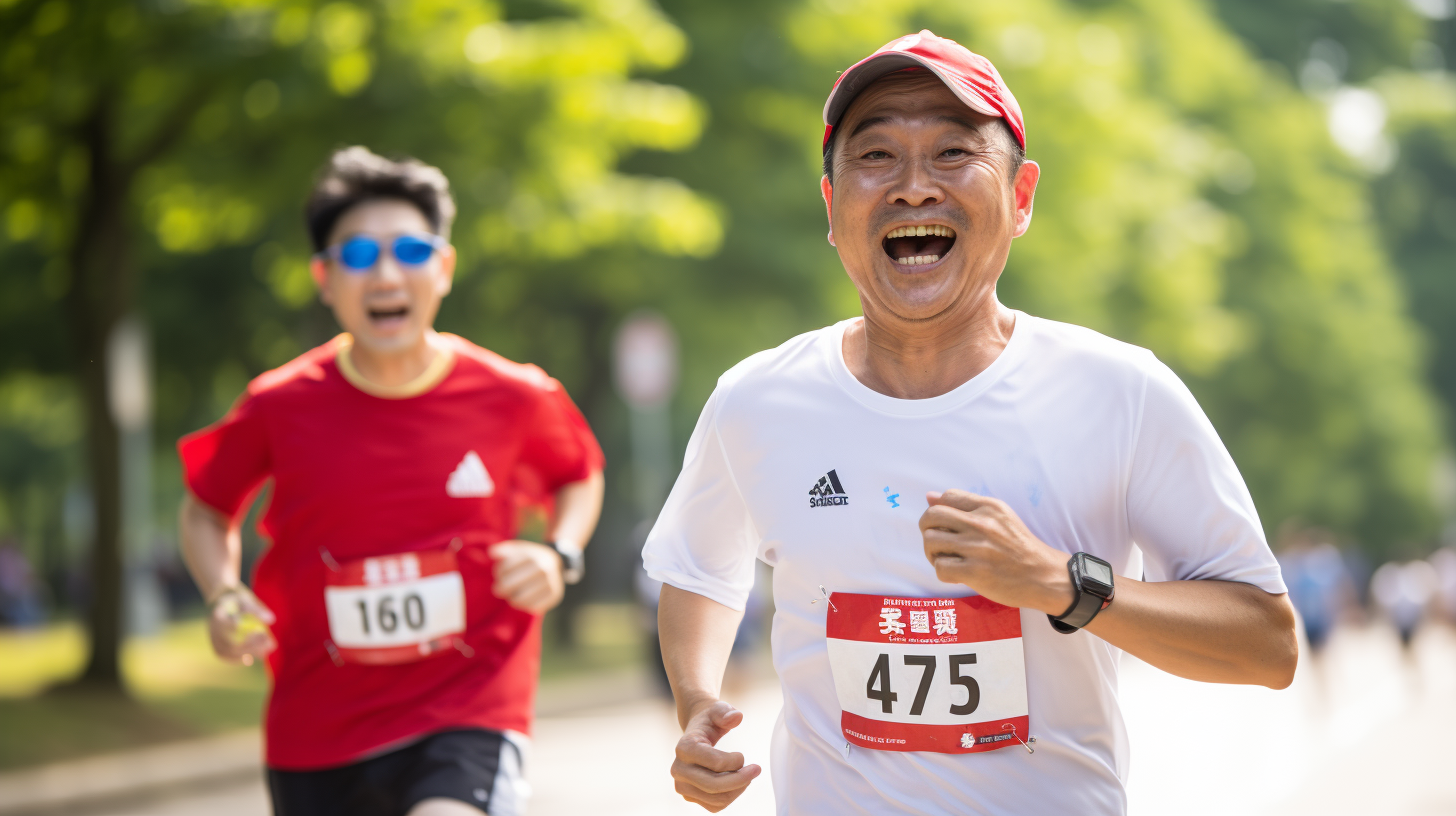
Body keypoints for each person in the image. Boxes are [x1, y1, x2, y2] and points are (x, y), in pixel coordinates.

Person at [643, 31, 1297, 815]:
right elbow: (697, 569)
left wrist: (1060, 583)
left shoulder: (1120, 392)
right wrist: (695, 705)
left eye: (953, 153)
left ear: (1021, 199)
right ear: (830, 206)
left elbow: (1268, 643)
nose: (913, 187)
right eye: (876, 155)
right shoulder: (758, 400)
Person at [177, 147, 604, 816]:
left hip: (469, 706)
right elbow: (206, 509)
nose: (384, 274)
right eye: (356, 256)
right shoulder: (277, 405)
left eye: (409, 249)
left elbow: (579, 474)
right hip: (316, 730)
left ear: (444, 267)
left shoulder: (515, 395)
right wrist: (222, 593)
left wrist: (559, 553)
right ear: (323, 278)